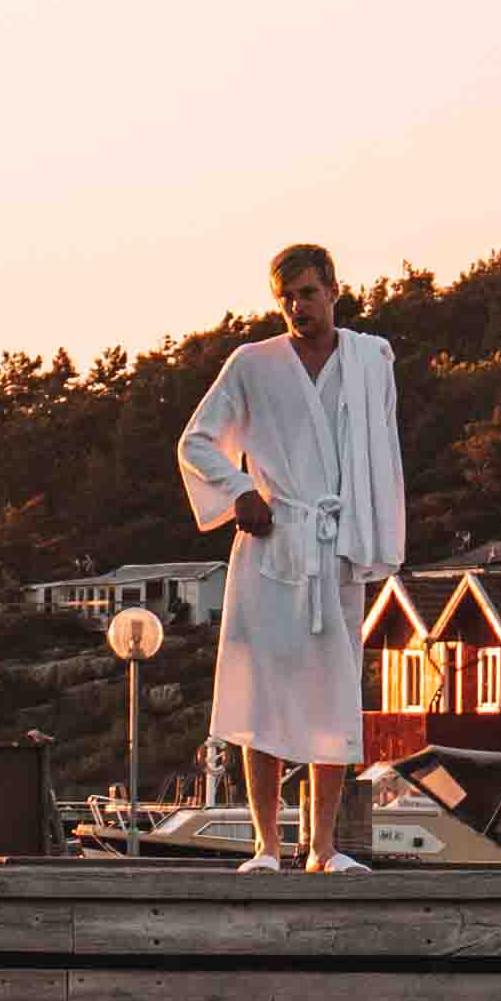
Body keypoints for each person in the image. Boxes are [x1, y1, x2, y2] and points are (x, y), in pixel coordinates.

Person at [179, 240, 406, 870]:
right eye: (285, 298)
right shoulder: (252, 364)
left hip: (336, 546)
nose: (297, 307)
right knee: (265, 692)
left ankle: (324, 848)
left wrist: (376, 537)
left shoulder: (370, 360)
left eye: (307, 293)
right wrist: (241, 491)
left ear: (333, 290)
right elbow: (196, 442)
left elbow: (383, 452)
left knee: (334, 693)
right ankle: (267, 847)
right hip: (272, 541)